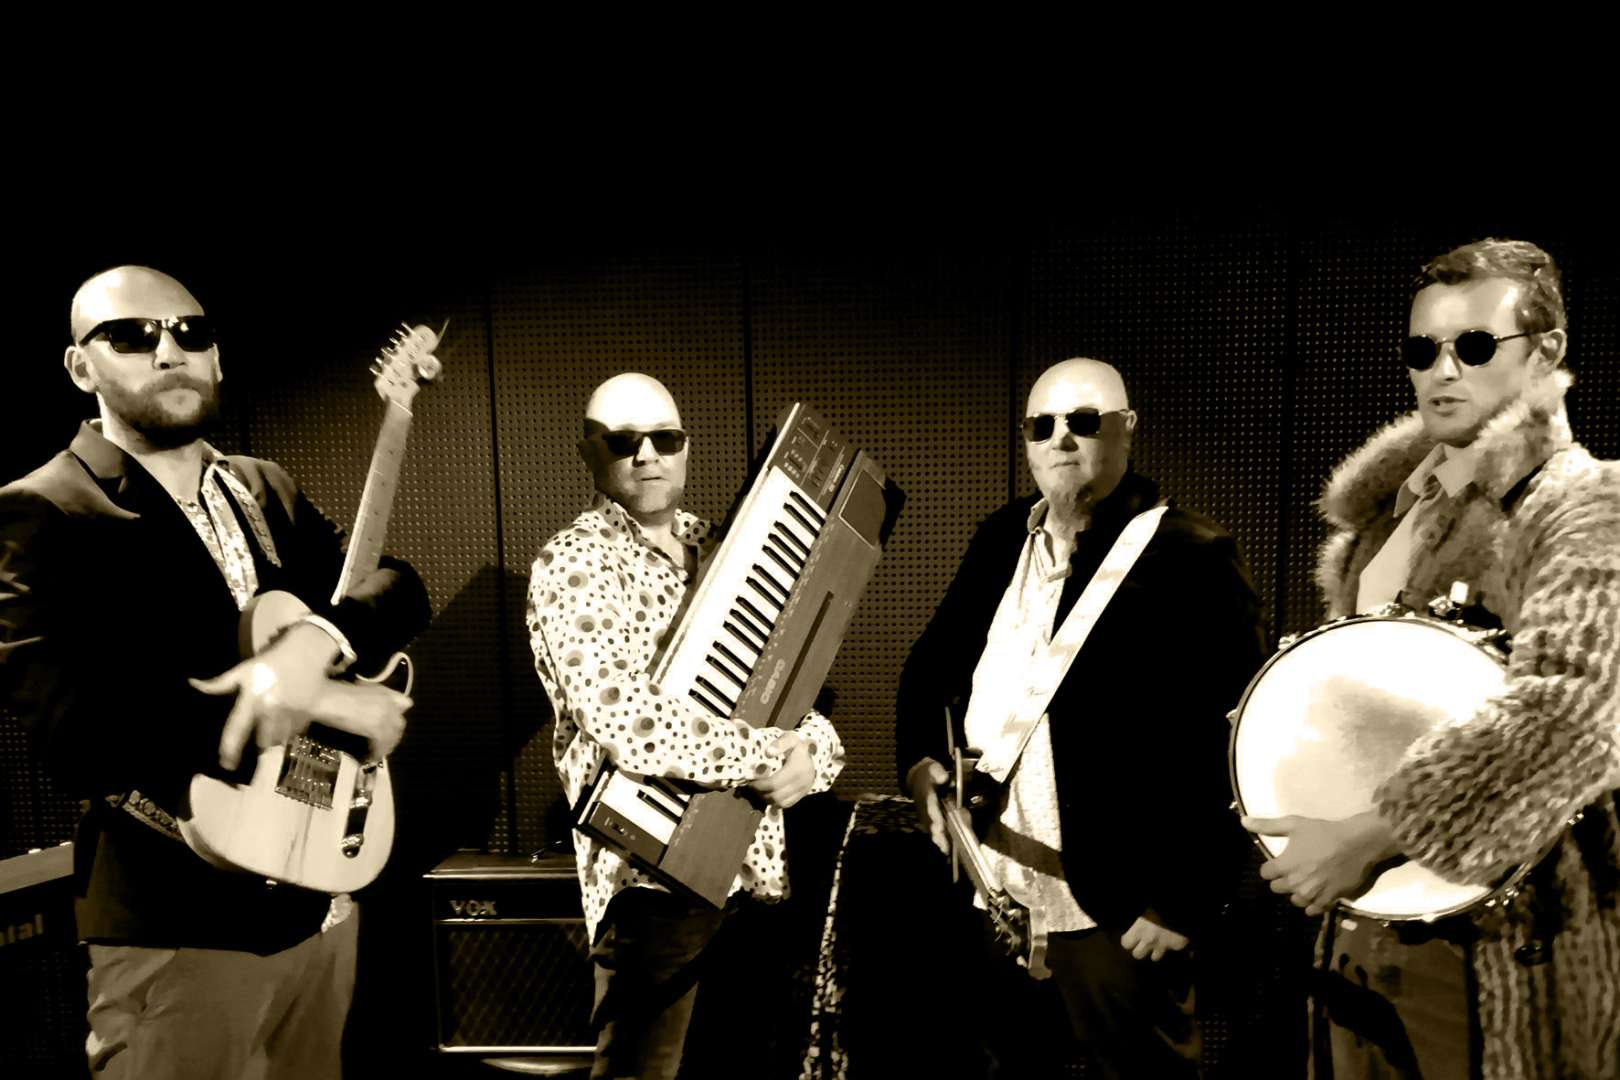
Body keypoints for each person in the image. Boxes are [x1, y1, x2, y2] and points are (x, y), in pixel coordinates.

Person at [0, 265, 431, 1078]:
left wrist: (316, 646)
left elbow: (398, 586)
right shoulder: (45, 508)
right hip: (178, 927)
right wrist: (310, 700)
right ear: (81, 366)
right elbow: (76, 738)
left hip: (322, 909)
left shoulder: (264, 488)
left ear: (218, 358)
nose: (169, 351)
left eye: (189, 333)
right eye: (132, 336)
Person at [1243, 238, 1620, 1079]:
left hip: (1502, 943)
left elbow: (1570, 717)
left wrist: (1372, 835)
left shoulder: (1587, 503)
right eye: (1424, 350)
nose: (1443, 371)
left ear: (1547, 350)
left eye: (1475, 346)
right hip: (1365, 919)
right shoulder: (1392, 515)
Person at [897, 358, 1267, 1078]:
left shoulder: (1190, 554)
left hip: (1117, 909)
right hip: (996, 890)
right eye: (1042, 426)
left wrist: (1180, 903)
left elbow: (1238, 740)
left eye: (1084, 422)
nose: (1061, 439)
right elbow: (929, 666)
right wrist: (919, 761)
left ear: (1127, 429)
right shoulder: (1001, 537)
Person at [526, 371, 845, 1079]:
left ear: (685, 447)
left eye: (664, 439)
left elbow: (796, 691)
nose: (647, 455)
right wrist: (766, 751)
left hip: (755, 868)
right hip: (651, 882)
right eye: (623, 441)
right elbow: (625, 718)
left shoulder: (731, 548)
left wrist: (813, 753)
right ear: (588, 452)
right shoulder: (574, 561)